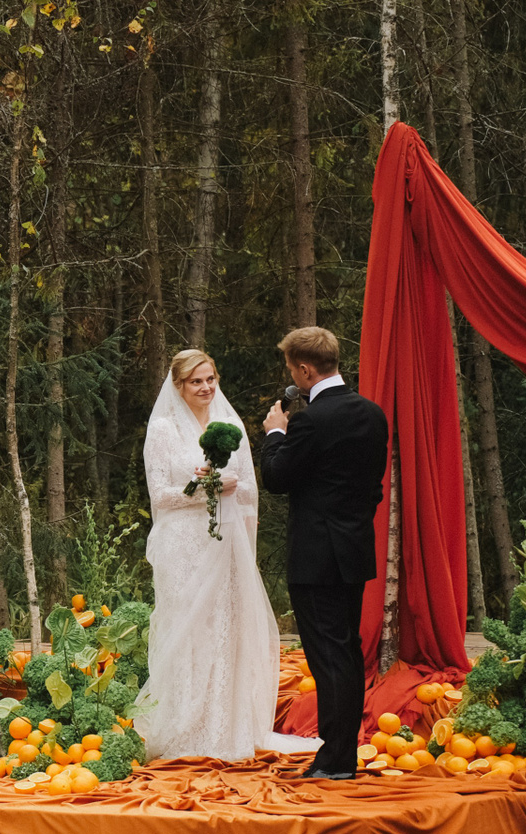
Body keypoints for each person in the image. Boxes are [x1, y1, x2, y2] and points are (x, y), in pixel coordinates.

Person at [137, 349, 321, 762]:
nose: (205, 387)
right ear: (179, 386)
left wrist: (244, 541)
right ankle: (184, 727)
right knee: (186, 631)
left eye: (210, 379)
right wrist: (206, 487)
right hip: (181, 546)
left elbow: (250, 492)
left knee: (224, 630)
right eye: (196, 381)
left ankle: (225, 728)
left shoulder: (230, 424)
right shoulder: (164, 430)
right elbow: (160, 497)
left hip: (225, 543)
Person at [260, 326, 389, 779]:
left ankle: (335, 759)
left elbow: (277, 478)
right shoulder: (373, 414)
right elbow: (373, 488)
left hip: (316, 556)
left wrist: (276, 433)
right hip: (354, 550)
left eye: (291, 369)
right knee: (346, 653)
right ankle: (340, 754)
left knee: (328, 658)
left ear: (304, 370)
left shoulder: (311, 420)